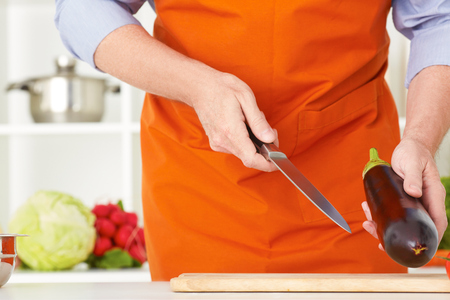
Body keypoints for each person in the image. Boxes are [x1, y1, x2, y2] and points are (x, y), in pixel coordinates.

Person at [55, 0, 449, 281]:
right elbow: (82, 8)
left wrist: (420, 139)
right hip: (200, 186)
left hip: (354, 194)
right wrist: (194, 85)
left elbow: (438, 19)